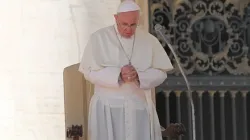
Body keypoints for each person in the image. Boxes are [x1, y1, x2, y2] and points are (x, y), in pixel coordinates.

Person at [78, 0, 177, 140]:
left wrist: (139, 76)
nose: (128, 29)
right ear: (116, 18)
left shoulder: (149, 40)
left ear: (138, 21)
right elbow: (88, 72)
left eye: (133, 25)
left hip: (138, 108)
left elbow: (161, 73)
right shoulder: (98, 38)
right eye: (124, 24)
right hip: (107, 108)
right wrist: (117, 75)